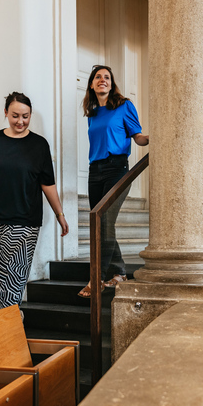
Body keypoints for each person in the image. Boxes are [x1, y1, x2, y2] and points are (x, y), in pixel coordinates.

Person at [0, 92, 68, 308]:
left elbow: (48, 184)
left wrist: (60, 214)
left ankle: (12, 328)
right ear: (6, 113)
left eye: (26, 116)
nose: (21, 121)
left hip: (24, 223)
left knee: (13, 281)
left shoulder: (39, 145)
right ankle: (9, 327)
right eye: (16, 115)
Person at [78, 65, 148, 298]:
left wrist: (150, 137)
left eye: (107, 77)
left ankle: (96, 278)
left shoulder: (124, 106)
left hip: (117, 169)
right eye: (98, 77)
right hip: (95, 171)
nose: (102, 80)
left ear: (112, 83)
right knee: (100, 223)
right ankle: (119, 272)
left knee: (105, 220)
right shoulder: (93, 113)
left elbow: (137, 136)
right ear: (91, 84)